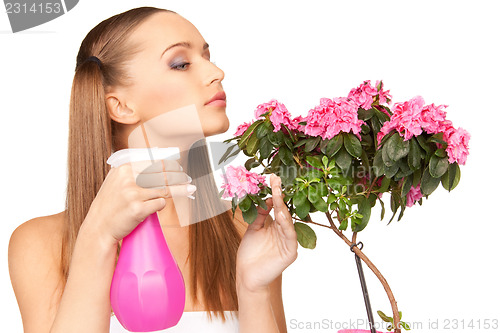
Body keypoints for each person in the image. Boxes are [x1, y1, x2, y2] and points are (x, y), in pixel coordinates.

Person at [8, 6, 298, 333]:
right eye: (181, 64)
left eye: (207, 56)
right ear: (121, 106)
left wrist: (253, 290)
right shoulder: (41, 245)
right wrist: (96, 240)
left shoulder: (245, 232)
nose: (216, 72)